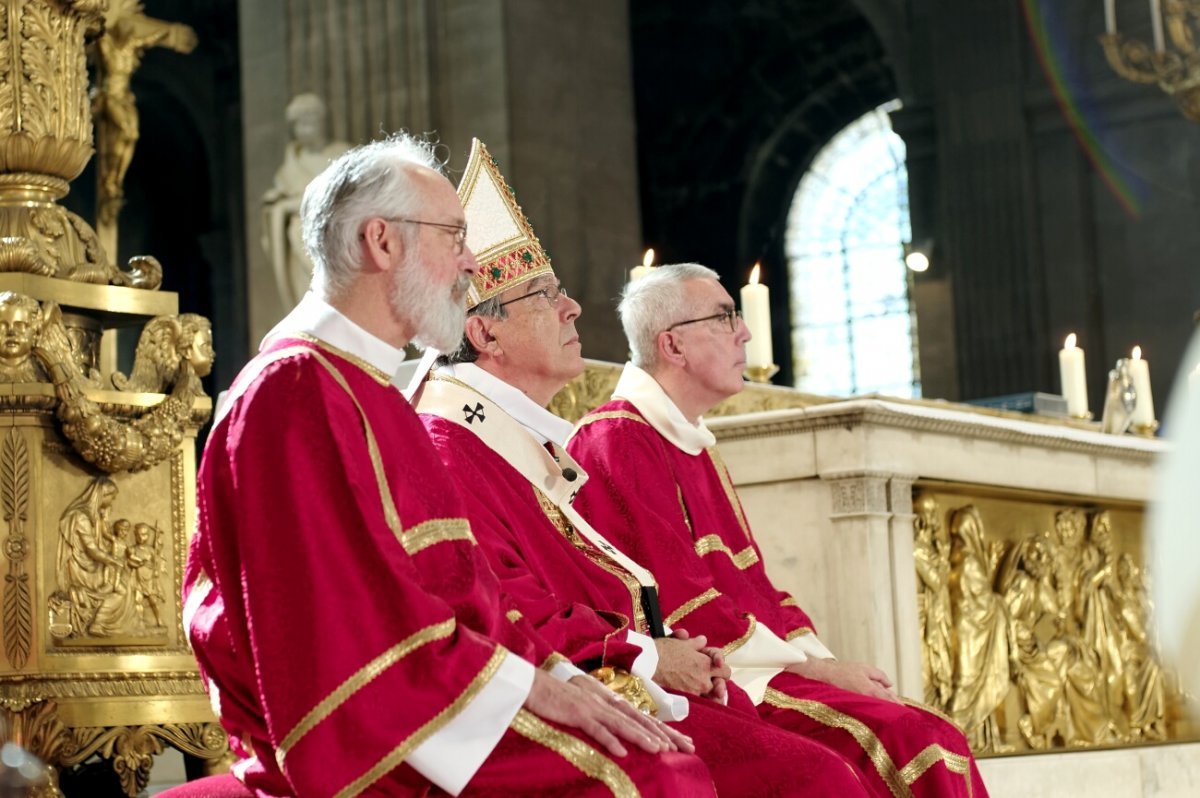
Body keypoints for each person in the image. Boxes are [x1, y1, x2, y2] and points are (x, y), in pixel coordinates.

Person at [183, 134, 714, 797]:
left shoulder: (369, 390)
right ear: (381, 242)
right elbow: (343, 634)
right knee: (651, 776)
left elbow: (462, 594)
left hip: (439, 691)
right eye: (452, 236)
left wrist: (562, 678)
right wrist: (536, 690)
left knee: (660, 748)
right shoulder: (296, 389)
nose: (469, 263)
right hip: (376, 731)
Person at [414, 139, 873, 797]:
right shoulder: (451, 442)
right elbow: (505, 606)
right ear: (484, 334)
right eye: (546, 296)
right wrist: (653, 653)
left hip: (628, 670)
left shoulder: (522, 441)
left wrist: (663, 646)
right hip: (549, 694)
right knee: (812, 774)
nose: (574, 309)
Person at [568, 263, 990, 796]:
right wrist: (817, 672)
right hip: (715, 680)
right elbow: (678, 606)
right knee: (915, 742)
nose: (744, 332)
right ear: (673, 346)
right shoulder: (617, 440)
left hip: (757, 668)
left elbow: (757, 588)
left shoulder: (692, 440)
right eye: (725, 318)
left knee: (930, 733)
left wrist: (823, 662)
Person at [262, 94, 352, 309]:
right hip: (300, 240)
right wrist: (276, 204)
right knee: (310, 299)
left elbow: (349, 196)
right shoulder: (289, 167)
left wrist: (293, 204)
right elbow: (278, 202)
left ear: (322, 122)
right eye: (299, 125)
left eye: (310, 122)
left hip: (336, 238)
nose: (305, 130)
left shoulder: (342, 155)